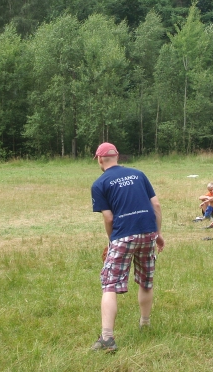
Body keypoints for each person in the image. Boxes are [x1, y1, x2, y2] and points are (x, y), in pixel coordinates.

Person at [90, 142, 164, 352]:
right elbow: (156, 205)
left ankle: (107, 338)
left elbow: (108, 218)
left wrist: (112, 241)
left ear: (99, 159)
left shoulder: (99, 183)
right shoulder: (139, 174)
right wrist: (158, 234)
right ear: (117, 156)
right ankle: (145, 324)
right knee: (146, 280)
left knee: (109, 284)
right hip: (148, 232)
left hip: (123, 235)